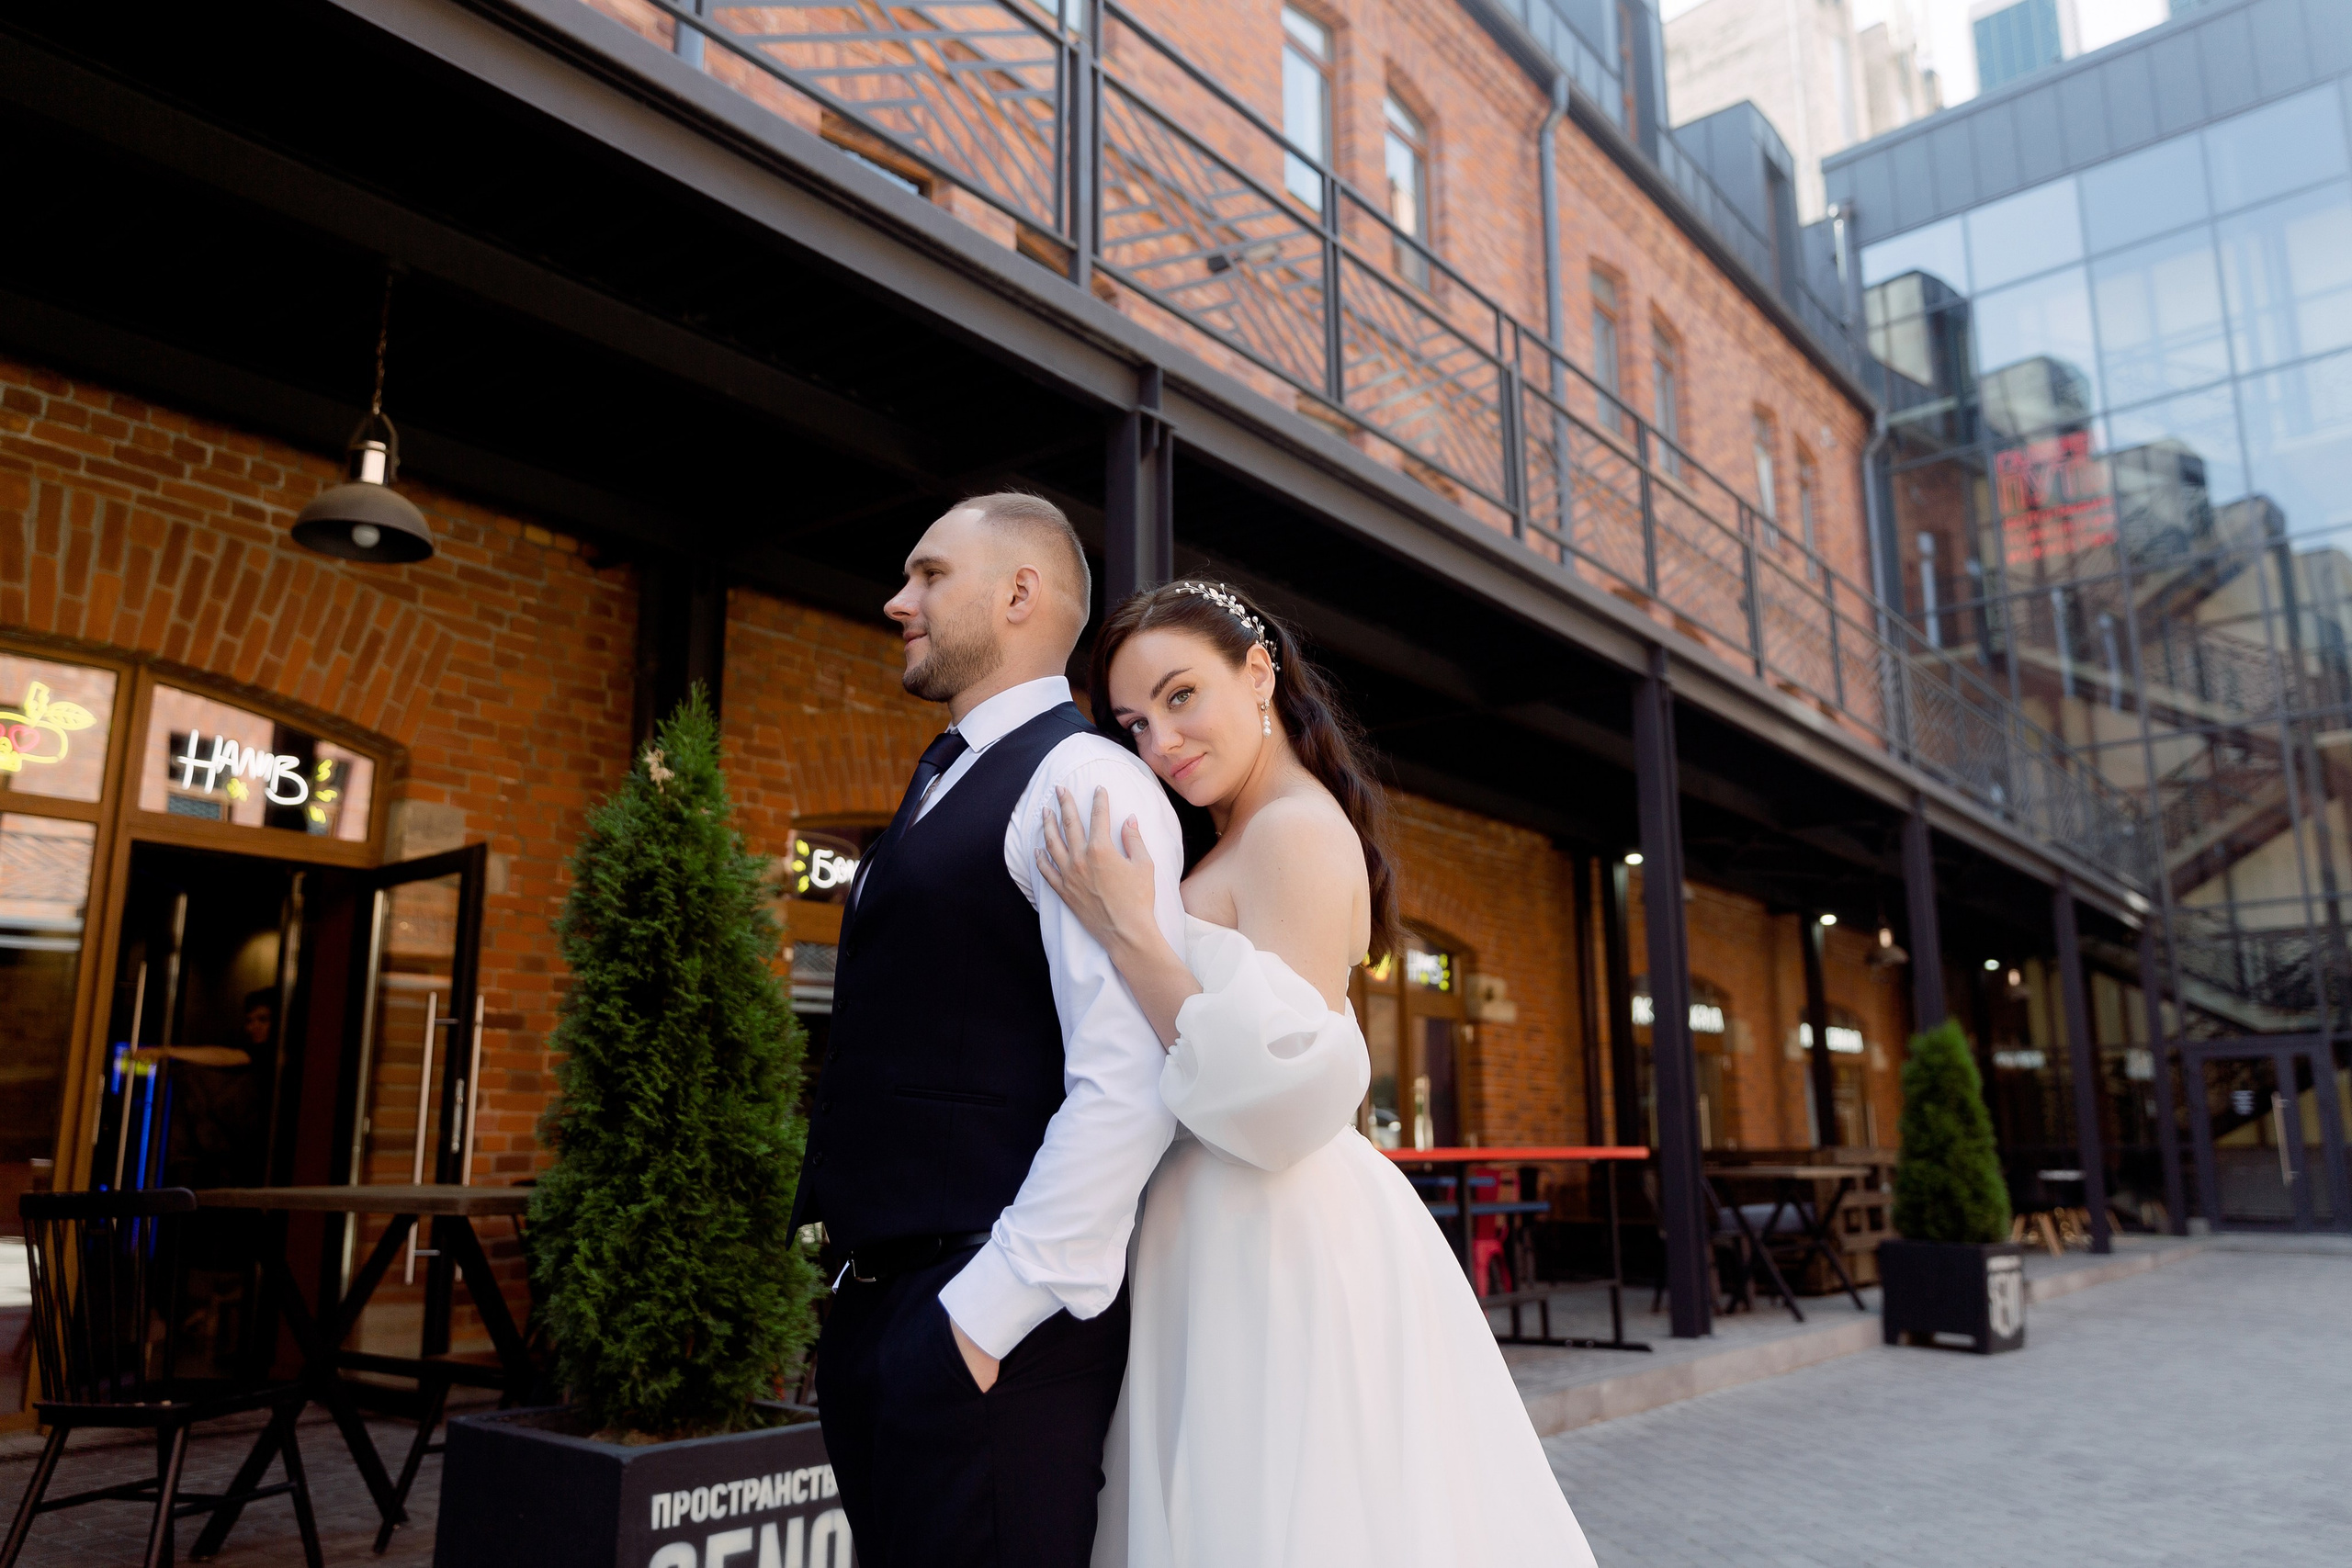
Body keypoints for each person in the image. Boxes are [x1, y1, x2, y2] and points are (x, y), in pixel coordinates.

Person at [1035, 581, 1600, 1567]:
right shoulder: (1250, 829)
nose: (1158, 742)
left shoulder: (1294, 831)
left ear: (1258, 674)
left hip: (1268, 1223)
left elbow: (1277, 1088)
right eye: (1133, 721)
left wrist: (1131, 934)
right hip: (1216, 1219)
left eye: (1179, 697)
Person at [791, 494, 1187, 1568]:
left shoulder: (1084, 777)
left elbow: (1132, 1075)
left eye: (927, 575)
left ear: (1020, 594)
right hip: (891, 1310)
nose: (896, 600)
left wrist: (976, 1321)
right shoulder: (947, 774)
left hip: (991, 1326)